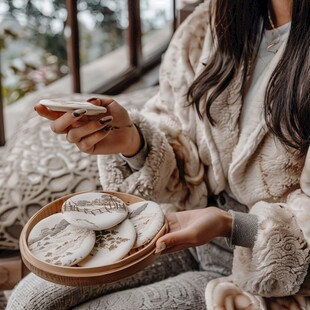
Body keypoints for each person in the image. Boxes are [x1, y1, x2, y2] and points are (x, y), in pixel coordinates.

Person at [7, 0, 310, 309]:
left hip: (269, 274)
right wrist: (134, 142)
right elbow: (177, 129)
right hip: (179, 228)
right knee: (29, 300)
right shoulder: (210, 22)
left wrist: (231, 225)